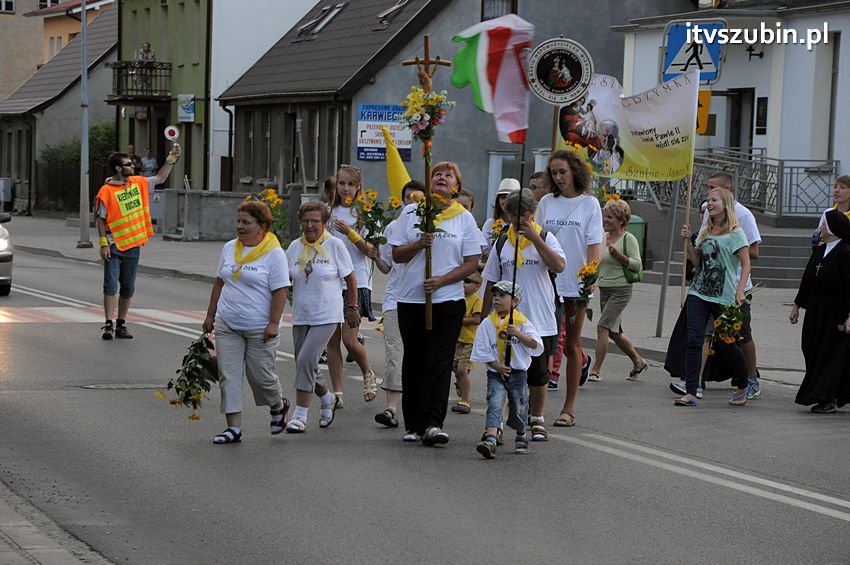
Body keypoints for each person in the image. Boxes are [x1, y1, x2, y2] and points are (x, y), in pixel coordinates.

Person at [389, 161, 480, 445]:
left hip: (447, 300)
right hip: (411, 299)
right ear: (429, 184)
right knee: (415, 359)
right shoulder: (411, 213)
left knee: (439, 361)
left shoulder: (462, 218)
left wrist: (442, 280)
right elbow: (397, 255)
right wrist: (419, 244)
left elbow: (472, 263)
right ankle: (413, 423)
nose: (442, 178)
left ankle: (433, 422)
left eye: (448, 175)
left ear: (456, 187)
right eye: (437, 174)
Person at [202, 201, 290, 444]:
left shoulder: (275, 253)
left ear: (261, 226)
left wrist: (273, 323)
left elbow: (281, 291)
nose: (239, 226)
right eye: (238, 221)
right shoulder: (230, 248)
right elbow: (220, 282)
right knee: (228, 374)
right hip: (228, 323)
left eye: (246, 222)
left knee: (260, 376)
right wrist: (210, 315)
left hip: (260, 328)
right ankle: (233, 428)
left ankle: (277, 404)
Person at [481, 188, 565, 442]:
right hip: (508, 319)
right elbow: (491, 281)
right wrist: (485, 316)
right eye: (513, 214)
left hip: (539, 316)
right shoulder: (502, 242)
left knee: (538, 374)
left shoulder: (546, 236)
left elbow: (559, 265)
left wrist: (535, 239)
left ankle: (537, 418)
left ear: (532, 213)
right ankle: (502, 421)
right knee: (507, 370)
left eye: (524, 214)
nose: (518, 220)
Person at [536, 149, 603, 427]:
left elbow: (593, 247)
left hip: (575, 285)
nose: (559, 177)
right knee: (541, 344)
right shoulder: (547, 203)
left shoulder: (590, 204)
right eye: (554, 173)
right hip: (546, 284)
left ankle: (568, 407)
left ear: (575, 171)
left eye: (563, 171)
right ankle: (534, 404)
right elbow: (535, 237)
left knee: (571, 345)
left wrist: (590, 278)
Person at [284, 201, 359, 432]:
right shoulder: (294, 247)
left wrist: (352, 307)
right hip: (301, 314)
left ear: (324, 222)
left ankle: (300, 414)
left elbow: (350, 278)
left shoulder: (335, 245)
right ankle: (327, 398)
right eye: (306, 221)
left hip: (327, 315)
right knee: (303, 363)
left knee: (307, 360)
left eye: (315, 221)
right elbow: (284, 280)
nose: (310, 225)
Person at [95, 144, 180, 340]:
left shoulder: (138, 183)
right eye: (128, 164)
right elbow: (100, 219)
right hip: (113, 245)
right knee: (110, 286)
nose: (132, 166)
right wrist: (103, 243)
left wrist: (171, 158)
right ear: (118, 168)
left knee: (128, 287)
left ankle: (121, 325)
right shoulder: (106, 191)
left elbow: (160, 178)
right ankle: (108, 324)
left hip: (133, 245)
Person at [677, 187, 751, 407]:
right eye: (708, 200)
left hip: (724, 295)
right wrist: (688, 244)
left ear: (725, 203)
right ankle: (691, 391)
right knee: (693, 340)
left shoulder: (736, 232)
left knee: (728, 344)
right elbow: (697, 262)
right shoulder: (705, 231)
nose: (709, 204)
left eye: (713, 200)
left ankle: (743, 383)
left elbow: (746, 263)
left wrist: (739, 290)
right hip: (699, 292)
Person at [472, 281, 543, 458]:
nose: (496, 299)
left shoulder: (522, 323)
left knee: (519, 407)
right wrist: (496, 365)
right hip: (496, 373)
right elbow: (481, 348)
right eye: (495, 296)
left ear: (515, 300)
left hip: (517, 374)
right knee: (495, 403)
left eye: (502, 296)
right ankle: (491, 438)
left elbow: (535, 344)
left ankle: (520, 434)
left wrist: (517, 334)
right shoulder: (488, 324)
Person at [373, 181, 424, 429]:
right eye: (409, 198)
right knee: (395, 352)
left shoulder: (434, 225)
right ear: (402, 201)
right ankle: (391, 408)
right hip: (396, 298)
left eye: (418, 198)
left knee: (421, 354)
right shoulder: (394, 227)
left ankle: (423, 407)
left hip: (426, 299)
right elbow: (387, 266)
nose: (413, 202)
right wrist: (374, 255)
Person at [326, 165, 378, 407]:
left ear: (358, 188)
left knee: (349, 340)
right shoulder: (328, 212)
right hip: (329, 282)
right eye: (341, 183)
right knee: (332, 340)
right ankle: (338, 393)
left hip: (356, 281)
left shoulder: (365, 215)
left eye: (350, 184)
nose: (345, 188)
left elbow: (371, 250)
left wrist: (350, 233)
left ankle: (367, 371)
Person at [790, 210, 850, 413]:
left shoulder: (846, 252)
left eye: (823, 225)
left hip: (836, 312)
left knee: (829, 353)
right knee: (810, 346)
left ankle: (828, 397)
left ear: (833, 229)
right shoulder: (819, 250)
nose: (820, 229)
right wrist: (797, 305)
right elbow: (807, 279)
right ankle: (826, 392)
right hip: (816, 310)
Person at [587, 199, 647, 382]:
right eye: (605, 216)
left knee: (602, 327)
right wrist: (591, 280)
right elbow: (598, 263)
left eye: (610, 217)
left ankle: (596, 370)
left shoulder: (629, 239)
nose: (606, 220)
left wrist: (619, 256)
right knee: (613, 332)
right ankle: (638, 361)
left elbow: (637, 265)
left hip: (621, 290)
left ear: (621, 220)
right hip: (605, 289)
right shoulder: (604, 236)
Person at [451, 272, 482, 414]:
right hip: (457, 339)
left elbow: (476, 320)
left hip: (470, 341)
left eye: (468, 281)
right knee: (455, 367)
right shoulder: (457, 299)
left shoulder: (476, 301)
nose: (464, 283)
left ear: (477, 286)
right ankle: (461, 384)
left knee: (462, 370)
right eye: (463, 280)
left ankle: (465, 400)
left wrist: (458, 321)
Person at [481, 178, 518, 244]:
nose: (506, 201)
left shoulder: (524, 225)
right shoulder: (490, 223)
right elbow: (485, 249)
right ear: (498, 200)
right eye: (503, 197)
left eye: (510, 198)